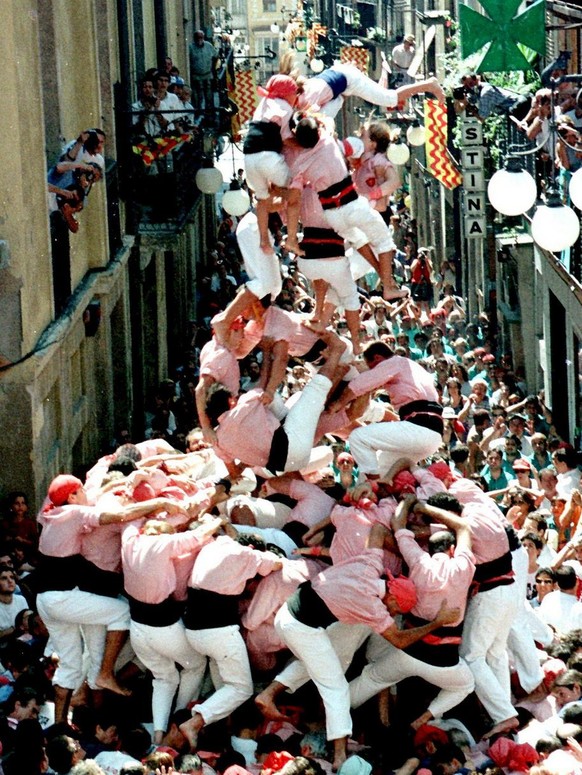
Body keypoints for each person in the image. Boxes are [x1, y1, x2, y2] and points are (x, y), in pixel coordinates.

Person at [255, 524, 459, 771]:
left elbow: (377, 530)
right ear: (392, 598)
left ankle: (269, 694)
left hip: (296, 614)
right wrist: (438, 622)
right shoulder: (372, 607)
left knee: (335, 661)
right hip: (300, 626)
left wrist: (406, 553)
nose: (392, 614)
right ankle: (340, 755)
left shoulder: (371, 565)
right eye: (395, 609)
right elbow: (400, 640)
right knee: (336, 687)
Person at [348, 495, 475, 731]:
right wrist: (429, 509)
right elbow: (463, 526)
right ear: (452, 549)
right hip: (444, 663)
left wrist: (409, 503)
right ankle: (422, 720)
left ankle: (331, 713)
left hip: (407, 653)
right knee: (465, 686)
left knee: (371, 679)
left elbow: (397, 525)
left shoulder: (418, 561)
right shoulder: (463, 567)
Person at [204, 329, 347, 476]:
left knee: (297, 401)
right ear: (230, 400)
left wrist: (240, 467)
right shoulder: (243, 405)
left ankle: (339, 371)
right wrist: (266, 351)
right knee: (314, 390)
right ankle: (337, 351)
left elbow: (234, 473)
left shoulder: (217, 441)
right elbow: (265, 382)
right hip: (292, 443)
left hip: (283, 466)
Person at [328, 341, 443, 480]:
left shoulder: (394, 362)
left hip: (418, 427)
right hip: (432, 436)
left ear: (377, 358)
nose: (371, 370)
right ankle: (373, 493)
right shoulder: (411, 366)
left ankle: (372, 486)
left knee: (358, 438)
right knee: (379, 464)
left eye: (371, 367)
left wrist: (339, 403)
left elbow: (361, 383)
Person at [242, 74, 302, 255]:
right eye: (294, 94)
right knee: (295, 191)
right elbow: (286, 140)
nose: (296, 98)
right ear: (287, 94)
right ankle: (291, 238)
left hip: (249, 157)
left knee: (262, 200)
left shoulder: (263, 104)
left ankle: (264, 241)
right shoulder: (285, 108)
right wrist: (306, 145)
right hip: (268, 157)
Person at [189, 30, 218, 111]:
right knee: (197, 96)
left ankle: (209, 112)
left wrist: (213, 67)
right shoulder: (190, 47)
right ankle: (198, 112)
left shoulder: (208, 46)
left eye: (201, 37)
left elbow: (215, 56)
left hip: (208, 74)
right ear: (194, 38)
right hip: (196, 76)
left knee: (209, 95)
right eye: (197, 37)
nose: (199, 39)